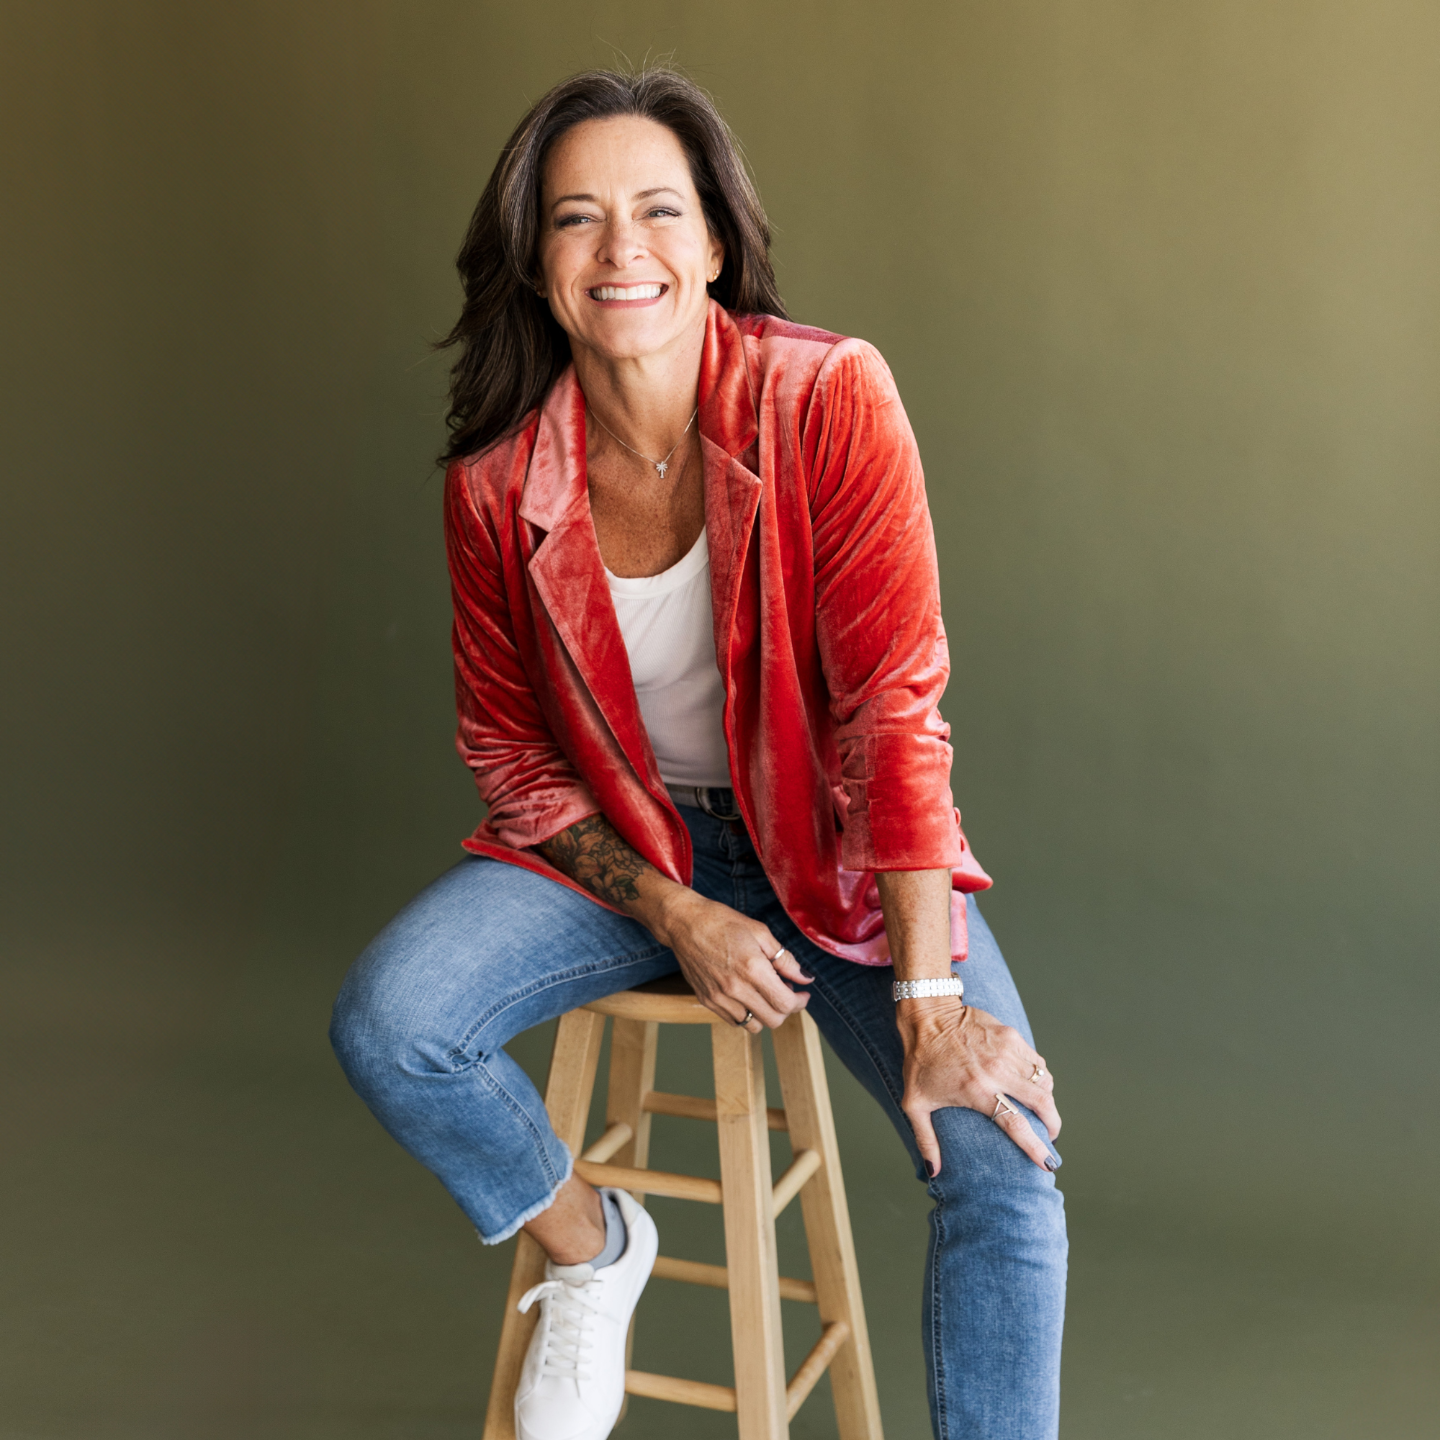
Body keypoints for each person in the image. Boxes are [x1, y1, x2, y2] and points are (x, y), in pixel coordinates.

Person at [330, 66, 1067, 1440]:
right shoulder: (496, 485)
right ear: (536, 261)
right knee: (392, 1020)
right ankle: (592, 1249)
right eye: (578, 217)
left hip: (834, 854)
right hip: (630, 854)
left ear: (716, 243)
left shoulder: (826, 396)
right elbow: (513, 756)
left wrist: (928, 1005)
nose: (623, 248)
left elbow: (893, 712)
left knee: (1004, 1161)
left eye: (660, 210)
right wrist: (676, 909)